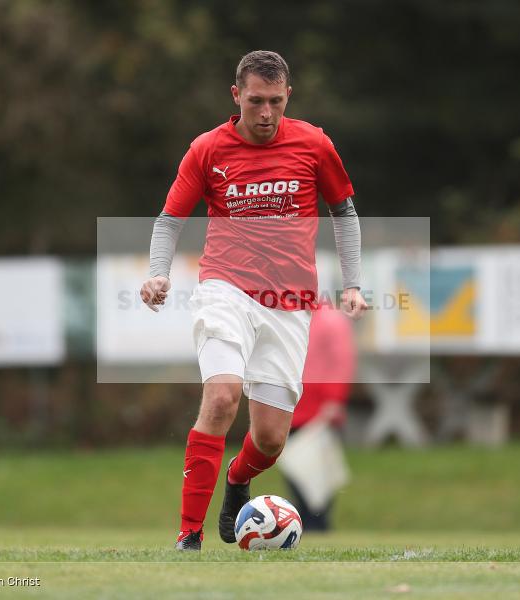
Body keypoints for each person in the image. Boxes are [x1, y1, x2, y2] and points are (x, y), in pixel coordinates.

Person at [139, 50, 366, 550]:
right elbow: (170, 219)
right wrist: (158, 274)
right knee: (221, 396)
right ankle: (189, 535)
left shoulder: (313, 143)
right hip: (226, 288)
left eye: (276, 102)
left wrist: (352, 283)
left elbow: (343, 213)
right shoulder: (207, 149)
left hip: (289, 303)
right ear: (236, 95)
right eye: (257, 101)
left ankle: (238, 479)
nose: (266, 114)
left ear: (289, 97)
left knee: (269, 441)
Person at [283, 300, 356, 531]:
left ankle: (317, 525)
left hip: (319, 412)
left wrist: (334, 399)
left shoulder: (330, 320)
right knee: (295, 471)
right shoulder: (288, 318)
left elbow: (341, 362)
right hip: (292, 408)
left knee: (317, 476)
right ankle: (304, 523)